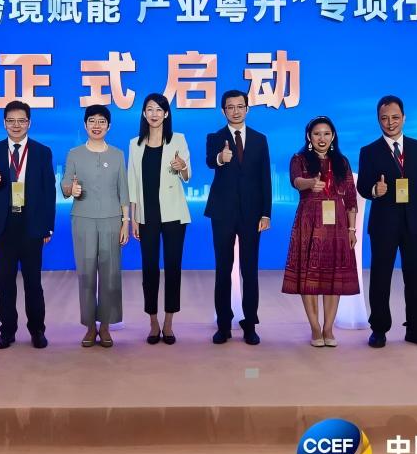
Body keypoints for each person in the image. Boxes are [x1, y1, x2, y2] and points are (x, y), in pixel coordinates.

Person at [356, 95, 417, 350]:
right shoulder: (369, 151)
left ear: (404, 118)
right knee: (380, 278)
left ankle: (415, 329)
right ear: (378, 120)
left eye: (395, 117)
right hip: (384, 225)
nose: (390, 122)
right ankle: (379, 329)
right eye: (384, 118)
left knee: (414, 278)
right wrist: (375, 190)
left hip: (416, 223)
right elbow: (362, 187)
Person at [0, 101, 55, 350]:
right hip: (4, 225)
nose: (16, 125)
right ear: (4, 123)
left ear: (29, 123)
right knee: (5, 282)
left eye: (21, 120)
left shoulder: (42, 152)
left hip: (31, 225)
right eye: (11, 121)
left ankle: (37, 330)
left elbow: (49, 191)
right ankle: (7, 331)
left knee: (33, 282)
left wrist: (48, 226)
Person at [282, 116, 359, 347]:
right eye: (317, 134)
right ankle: (315, 328)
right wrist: (310, 183)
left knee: (334, 277)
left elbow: (351, 198)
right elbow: (296, 181)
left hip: (337, 225)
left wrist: (351, 229)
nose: (322, 138)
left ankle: (328, 329)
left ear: (333, 136)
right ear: (309, 137)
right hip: (309, 223)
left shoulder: (342, 162)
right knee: (310, 277)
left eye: (326, 133)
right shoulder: (299, 159)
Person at [204, 89, 272, 345]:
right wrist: (221, 158)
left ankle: (250, 324)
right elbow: (210, 161)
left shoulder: (260, 139)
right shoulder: (215, 137)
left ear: (247, 109)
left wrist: (266, 213)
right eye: (230, 107)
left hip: (252, 214)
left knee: (249, 270)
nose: (235, 111)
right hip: (222, 213)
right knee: (223, 269)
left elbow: (265, 178)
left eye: (240, 106)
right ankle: (223, 325)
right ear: (223, 111)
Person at [62, 104, 129, 348]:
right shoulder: (74, 154)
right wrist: (71, 189)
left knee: (110, 275)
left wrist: (125, 222)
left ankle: (106, 326)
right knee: (86, 273)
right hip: (83, 219)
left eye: (102, 121)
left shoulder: (118, 155)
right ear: (85, 125)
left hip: (112, 219)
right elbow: (65, 185)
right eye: (92, 120)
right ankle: (90, 326)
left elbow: (123, 190)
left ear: (109, 126)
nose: (96, 125)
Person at [127, 93, 191, 345]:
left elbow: (188, 175)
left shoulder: (178, 139)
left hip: (174, 215)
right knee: (149, 269)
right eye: (149, 109)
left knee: (173, 268)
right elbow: (132, 183)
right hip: (146, 215)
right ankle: (153, 322)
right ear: (144, 114)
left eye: (159, 109)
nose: (154, 114)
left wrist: (182, 166)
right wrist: (133, 218)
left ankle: (169, 322)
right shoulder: (135, 144)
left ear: (166, 114)